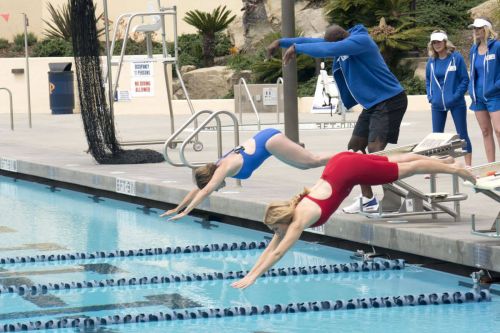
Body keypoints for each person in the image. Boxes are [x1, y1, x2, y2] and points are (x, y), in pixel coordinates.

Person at [231, 151, 476, 289]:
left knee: (408, 169)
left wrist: (254, 277)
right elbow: (269, 249)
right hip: (340, 162)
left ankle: (455, 169)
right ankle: (445, 161)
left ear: (283, 222)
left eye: (276, 229)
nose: (277, 233)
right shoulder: (290, 212)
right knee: (396, 161)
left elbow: (277, 254)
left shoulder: (298, 220)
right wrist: (249, 272)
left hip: (349, 169)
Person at [267, 24, 408, 214]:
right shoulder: (341, 43)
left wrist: (297, 49)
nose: (331, 48)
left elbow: (328, 48)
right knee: (355, 148)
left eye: (334, 44)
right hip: (373, 105)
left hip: (390, 100)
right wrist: (282, 42)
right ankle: (368, 200)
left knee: (375, 151)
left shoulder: (360, 41)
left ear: (342, 38)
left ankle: (393, 197)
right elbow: (313, 42)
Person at [161, 128, 332, 221]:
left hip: (269, 141)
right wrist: (177, 208)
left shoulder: (223, 168)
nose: (217, 189)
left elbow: (205, 191)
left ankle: (350, 157)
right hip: (267, 142)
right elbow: (198, 190)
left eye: (215, 187)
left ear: (211, 180)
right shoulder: (216, 166)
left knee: (312, 160)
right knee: (304, 166)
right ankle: (347, 157)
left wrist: (186, 213)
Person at [425, 30, 472, 166]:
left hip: (456, 103)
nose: (437, 44)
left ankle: (468, 166)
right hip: (437, 105)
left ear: (445, 42)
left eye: (439, 41)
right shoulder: (431, 61)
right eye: (434, 42)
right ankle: (438, 166)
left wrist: (455, 97)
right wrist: (430, 97)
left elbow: (464, 80)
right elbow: (428, 81)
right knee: (437, 137)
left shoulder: (456, 58)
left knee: (462, 134)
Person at [468, 17, 500, 162]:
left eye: (478, 28)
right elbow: (473, 72)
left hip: (495, 96)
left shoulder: (497, 47)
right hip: (478, 97)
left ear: (486, 29)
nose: (476, 31)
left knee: (499, 131)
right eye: (474, 28)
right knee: (485, 131)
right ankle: (492, 166)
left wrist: (495, 86)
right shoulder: (473, 50)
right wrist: (471, 89)